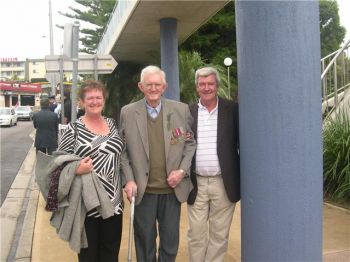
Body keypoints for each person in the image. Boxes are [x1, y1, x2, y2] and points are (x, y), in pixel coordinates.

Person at [120, 65, 196, 262]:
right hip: (143, 191)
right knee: (145, 242)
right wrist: (128, 180)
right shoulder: (128, 113)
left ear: (164, 87)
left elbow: (189, 143)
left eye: (157, 85)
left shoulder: (180, 110)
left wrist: (181, 170)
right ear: (141, 87)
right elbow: (122, 151)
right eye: (149, 85)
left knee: (170, 243)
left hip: (172, 190)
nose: (153, 88)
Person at [57, 80, 124, 261]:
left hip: (114, 202)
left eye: (98, 97)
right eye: (90, 98)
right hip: (87, 203)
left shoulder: (112, 124)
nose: (95, 101)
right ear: (81, 102)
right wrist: (77, 169)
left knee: (111, 252)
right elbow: (58, 162)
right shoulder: (73, 129)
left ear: (104, 100)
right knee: (89, 254)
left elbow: (122, 157)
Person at [187, 67, 240, 262]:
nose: (206, 87)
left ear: (217, 85)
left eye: (210, 83)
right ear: (196, 87)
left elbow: (242, 143)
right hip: (196, 183)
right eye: (202, 84)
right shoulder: (188, 112)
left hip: (223, 182)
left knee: (219, 234)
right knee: (196, 233)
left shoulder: (232, 109)